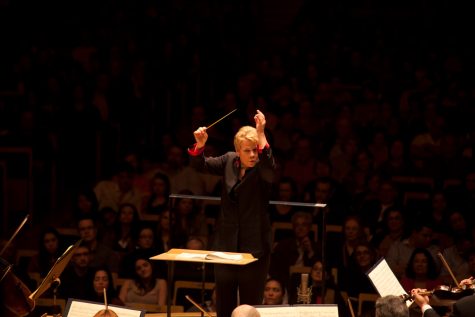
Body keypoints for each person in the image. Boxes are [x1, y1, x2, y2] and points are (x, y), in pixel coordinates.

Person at [189, 109, 276, 317]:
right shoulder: (228, 160)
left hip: (254, 247)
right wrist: (200, 145)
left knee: (249, 308)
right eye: (248, 151)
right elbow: (199, 165)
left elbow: (269, 167)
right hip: (226, 245)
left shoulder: (263, 170)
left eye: (255, 150)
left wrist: (261, 132)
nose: (253, 155)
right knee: (225, 305)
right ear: (238, 151)